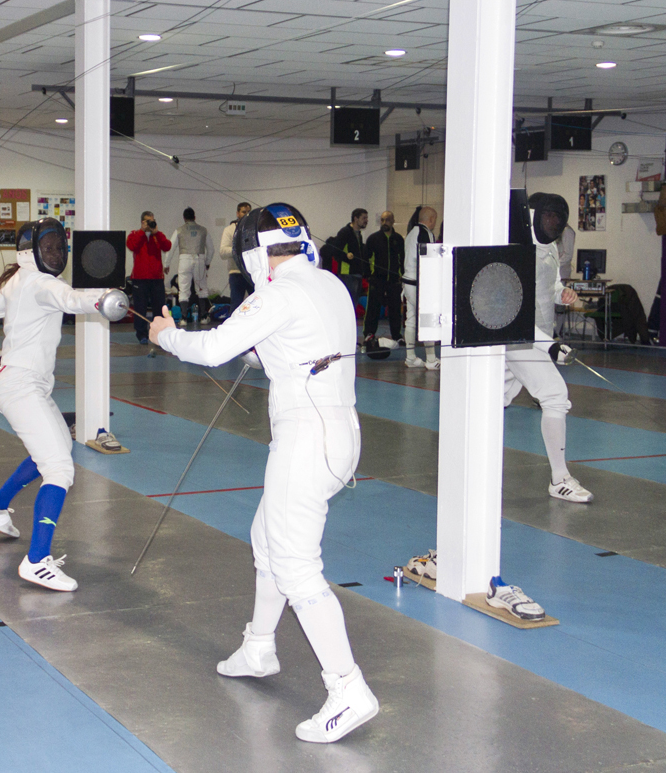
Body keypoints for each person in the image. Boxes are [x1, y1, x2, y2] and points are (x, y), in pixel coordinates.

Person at [150, 202, 378, 745]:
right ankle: (259, 645)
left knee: (297, 566)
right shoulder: (329, 285)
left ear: (254, 255)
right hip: (337, 432)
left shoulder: (277, 293)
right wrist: (266, 347)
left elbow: (209, 349)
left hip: (307, 438)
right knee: (267, 541)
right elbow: (301, 343)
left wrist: (164, 333)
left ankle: (348, 688)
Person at [0, 218, 115, 590]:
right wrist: (104, 299)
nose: (55, 253)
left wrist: (12, 292)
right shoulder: (42, 282)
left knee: (59, 448)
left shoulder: (18, 280)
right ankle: (37, 560)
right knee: (59, 469)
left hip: (21, 383)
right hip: (21, 385)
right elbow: (73, 300)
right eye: (49, 247)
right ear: (31, 251)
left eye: (58, 247)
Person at [504, 193, 593, 504]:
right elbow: (509, 308)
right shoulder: (517, 247)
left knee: (493, 402)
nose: (554, 223)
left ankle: (466, 464)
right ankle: (560, 479)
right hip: (518, 338)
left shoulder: (552, 247)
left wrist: (562, 293)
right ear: (535, 215)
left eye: (559, 218)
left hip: (537, 336)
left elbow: (550, 284)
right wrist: (550, 346)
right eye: (549, 217)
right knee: (555, 396)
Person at [126, 211, 172, 344]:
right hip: (139, 279)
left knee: (159, 307)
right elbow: (131, 245)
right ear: (142, 222)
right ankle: (141, 334)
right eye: (148, 221)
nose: (151, 223)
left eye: (152, 220)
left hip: (157, 278)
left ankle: (159, 333)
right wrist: (142, 231)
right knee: (140, 308)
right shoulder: (135, 234)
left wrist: (156, 232)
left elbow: (167, 246)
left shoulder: (158, 236)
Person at [402, 206, 439, 369]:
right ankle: (431, 360)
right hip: (418, 283)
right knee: (428, 319)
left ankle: (411, 358)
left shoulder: (411, 233)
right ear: (430, 220)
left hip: (407, 283)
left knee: (410, 320)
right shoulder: (426, 233)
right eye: (434, 221)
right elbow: (428, 260)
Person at [362, 211, 404, 347]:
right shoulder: (373, 238)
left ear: (392, 221)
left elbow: (401, 259)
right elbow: (366, 258)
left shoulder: (398, 239)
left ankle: (397, 335)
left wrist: (402, 276)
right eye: (382, 220)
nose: (384, 222)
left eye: (387, 220)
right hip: (377, 280)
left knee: (395, 310)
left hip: (393, 281)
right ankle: (369, 334)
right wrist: (369, 275)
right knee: (373, 308)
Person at [166, 207, 215, 323]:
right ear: (194, 217)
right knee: (201, 288)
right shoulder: (204, 230)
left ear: (184, 218)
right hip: (200, 259)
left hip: (184, 259)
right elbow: (211, 249)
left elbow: (170, 247)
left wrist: (166, 264)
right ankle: (203, 316)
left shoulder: (179, 230)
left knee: (183, 290)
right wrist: (207, 263)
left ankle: (183, 319)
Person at [320, 208, 369, 307]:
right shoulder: (345, 232)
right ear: (356, 218)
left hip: (357, 273)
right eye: (364, 218)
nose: (366, 220)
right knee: (347, 304)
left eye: (366, 218)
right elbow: (336, 252)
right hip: (347, 275)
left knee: (353, 304)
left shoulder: (359, 234)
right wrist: (348, 258)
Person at [219, 202, 253, 308]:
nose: (246, 214)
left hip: (253, 273)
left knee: (258, 304)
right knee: (236, 306)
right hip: (236, 273)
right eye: (244, 212)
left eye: (249, 212)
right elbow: (223, 252)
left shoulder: (254, 229)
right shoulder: (229, 230)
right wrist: (238, 249)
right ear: (237, 213)